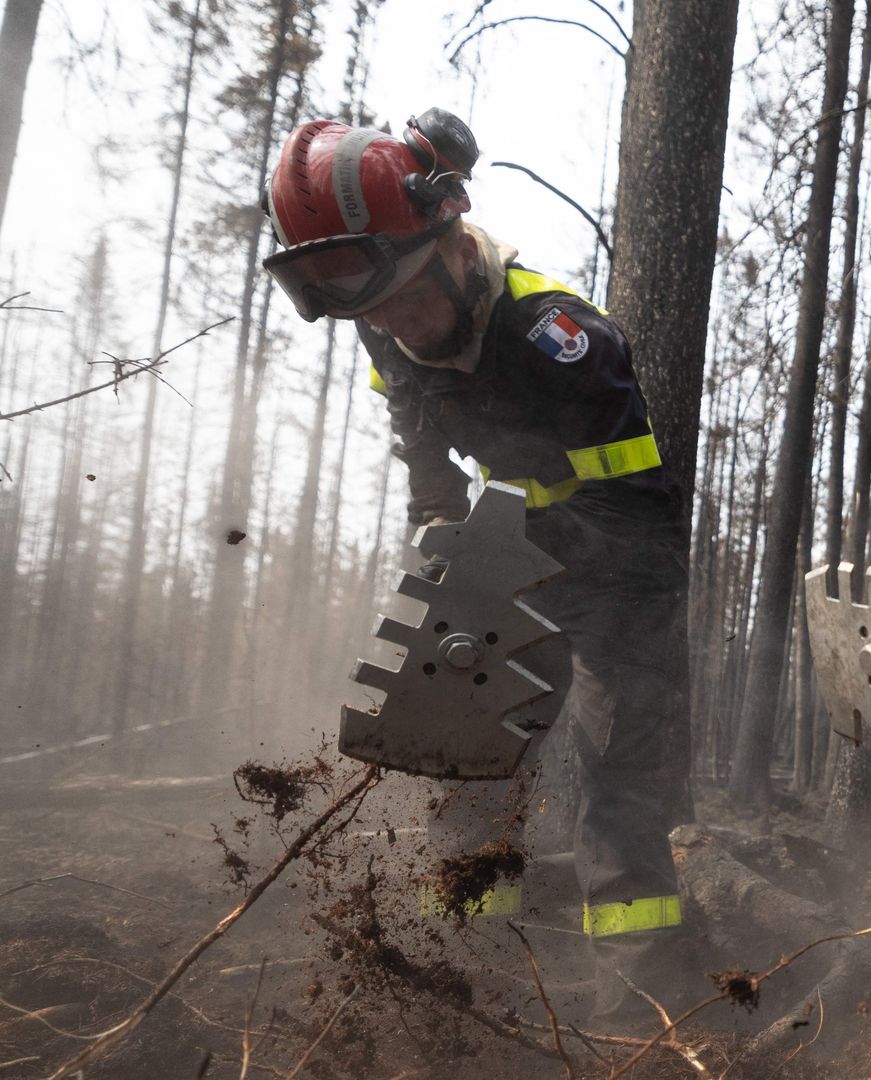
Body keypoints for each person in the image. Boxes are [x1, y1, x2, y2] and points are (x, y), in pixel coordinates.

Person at [260, 110, 695, 1015]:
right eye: (368, 312)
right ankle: (469, 965)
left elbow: (635, 505)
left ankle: (641, 994)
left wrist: (521, 549)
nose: (395, 327)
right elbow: (414, 421)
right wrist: (436, 516)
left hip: (621, 571)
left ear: (453, 240)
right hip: (511, 552)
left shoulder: (557, 338)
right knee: (463, 750)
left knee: (617, 772)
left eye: (407, 299)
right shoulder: (382, 317)